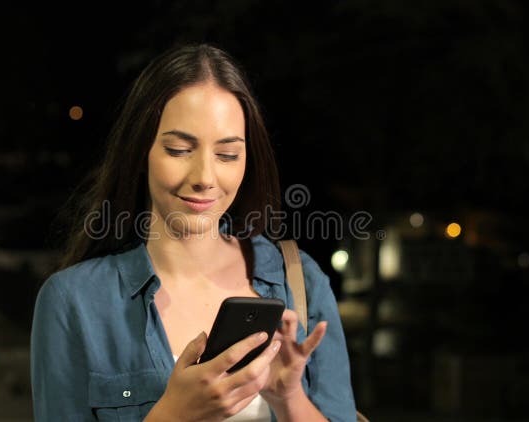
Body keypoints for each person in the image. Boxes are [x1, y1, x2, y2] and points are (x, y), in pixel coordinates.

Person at [31, 43, 356, 421]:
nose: (204, 178)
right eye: (179, 149)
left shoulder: (301, 282)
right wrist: (173, 415)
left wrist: (289, 398)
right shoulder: (74, 302)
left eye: (227, 155)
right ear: (141, 152)